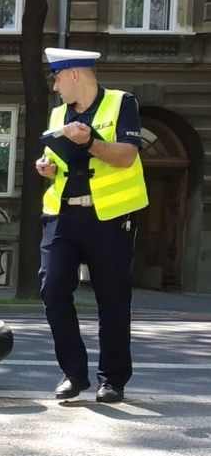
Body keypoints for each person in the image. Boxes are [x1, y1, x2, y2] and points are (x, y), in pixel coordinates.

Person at [34, 47, 148, 403]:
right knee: (52, 291)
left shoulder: (121, 103)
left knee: (112, 300)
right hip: (63, 214)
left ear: (74, 74)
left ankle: (112, 380)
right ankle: (73, 374)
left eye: (56, 78)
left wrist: (91, 142)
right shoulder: (57, 115)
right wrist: (46, 166)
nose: (55, 87)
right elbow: (55, 157)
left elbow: (128, 155)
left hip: (111, 217)